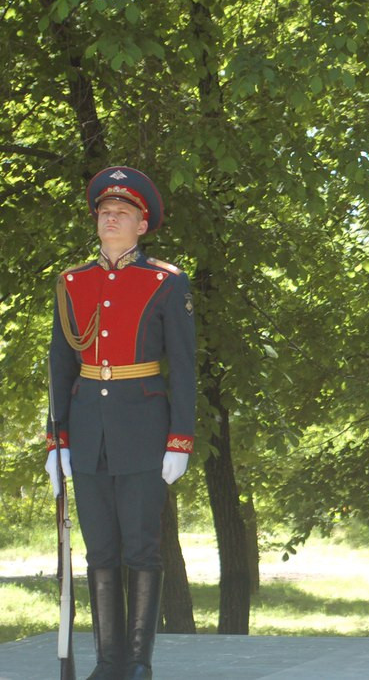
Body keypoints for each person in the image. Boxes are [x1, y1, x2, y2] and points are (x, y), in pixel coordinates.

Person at [45, 166, 196, 680]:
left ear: (142, 225)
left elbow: (184, 366)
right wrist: (57, 440)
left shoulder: (165, 282)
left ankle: (137, 664)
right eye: (104, 212)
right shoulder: (72, 282)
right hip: (88, 428)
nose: (110, 218)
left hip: (144, 428)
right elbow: (61, 365)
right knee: (100, 551)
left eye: (122, 212)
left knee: (142, 549)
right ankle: (108, 663)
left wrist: (180, 439)